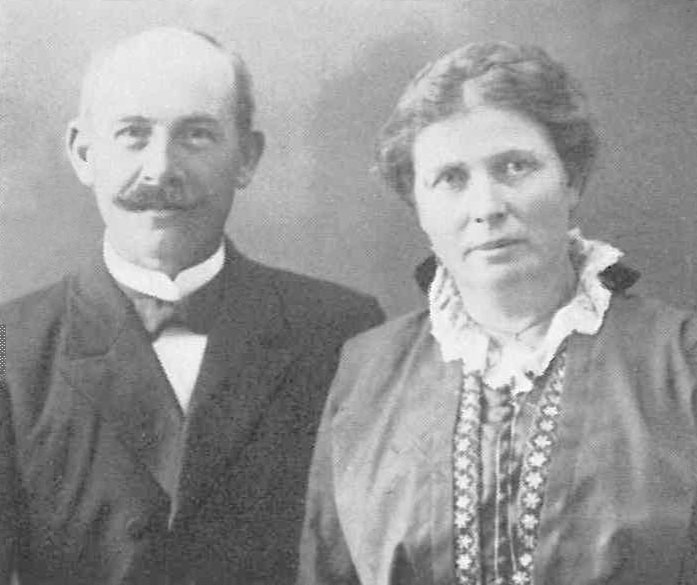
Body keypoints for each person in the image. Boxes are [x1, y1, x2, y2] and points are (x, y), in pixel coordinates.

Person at [297, 41, 697, 585]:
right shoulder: (366, 374)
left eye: (515, 167)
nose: (486, 207)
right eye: (450, 178)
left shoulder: (679, 360)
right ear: (418, 205)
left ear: (571, 179)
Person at [0, 27, 383, 585]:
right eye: (133, 135)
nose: (160, 169)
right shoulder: (11, 349)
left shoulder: (343, 333)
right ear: (84, 153)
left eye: (196, 136)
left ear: (246, 157)